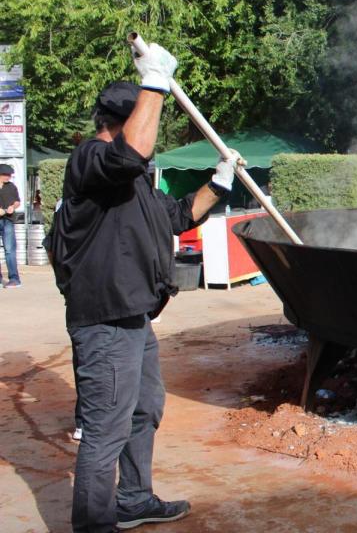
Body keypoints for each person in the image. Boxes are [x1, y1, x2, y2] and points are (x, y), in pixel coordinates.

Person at [48, 43, 243, 532]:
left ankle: (133, 500)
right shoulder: (92, 162)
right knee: (105, 431)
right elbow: (130, 152)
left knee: (143, 410)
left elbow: (176, 217)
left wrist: (218, 185)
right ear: (122, 118)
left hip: (136, 318)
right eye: (143, 113)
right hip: (106, 322)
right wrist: (155, 82)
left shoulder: (133, 184)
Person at [0, 162, 21, 288]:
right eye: (5, 174)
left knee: (10, 251)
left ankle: (14, 279)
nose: (8, 177)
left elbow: (17, 201)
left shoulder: (11, 186)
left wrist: (13, 207)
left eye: (9, 175)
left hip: (8, 220)